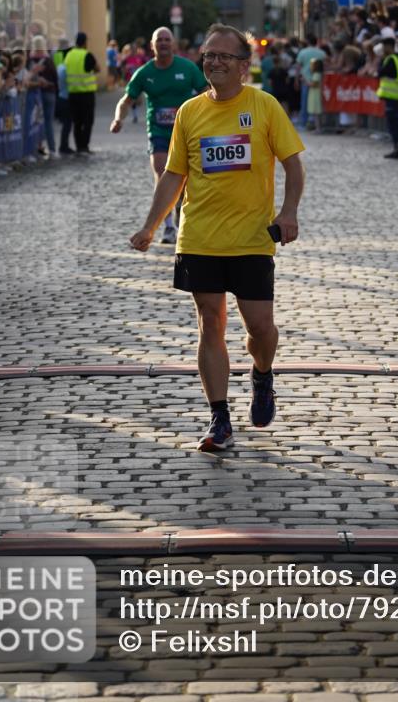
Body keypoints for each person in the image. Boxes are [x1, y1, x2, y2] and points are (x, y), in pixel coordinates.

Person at [129, 23, 305, 453]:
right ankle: (219, 417)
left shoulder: (263, 107)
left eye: (224, 56)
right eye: (209, 54)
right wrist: (151, 225)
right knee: (210, 321)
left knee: (260, 329)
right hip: (200, 237)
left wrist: (288, 212)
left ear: (244, 66)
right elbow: (175, 175)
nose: (214, 61)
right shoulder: (190, 112)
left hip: (251, 239)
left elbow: (294, 166)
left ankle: (262, 375)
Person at [111, 27, 208, 244]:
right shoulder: (145, 73)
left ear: (172, 44)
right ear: (152, 46)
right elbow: (126, 101)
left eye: (167, 40)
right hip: (159, 133)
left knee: (184, 180)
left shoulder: (187, 68)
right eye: (159, 40)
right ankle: (168, 227)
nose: (163, 43)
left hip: (186, 131)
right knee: (163, 173)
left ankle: (180, 213)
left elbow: (206, 92)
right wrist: (118, 119)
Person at [64, 31, 99, 154]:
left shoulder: (69, 55)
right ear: (85, 42)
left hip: (73, 93)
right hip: (87, 94)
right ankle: (84, 146)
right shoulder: (87, 54)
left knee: (77, 122)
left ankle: (79, 146)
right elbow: (97, 68)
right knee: (88, 121)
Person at [377, 34, 398, 158]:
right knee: (396, 123)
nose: (383, 49)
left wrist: (381, 60)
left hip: (392, 96)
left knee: (393, 124)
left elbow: (381, 72)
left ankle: (397, 149)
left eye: (384, 46)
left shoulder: (390, 59)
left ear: (389, 46)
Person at [295, 34, 326, 129]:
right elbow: (326, 66)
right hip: (318, 80)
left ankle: (304, 123)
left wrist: (296, 80)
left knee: (305, 102)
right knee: (317, 103)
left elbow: (298, 67)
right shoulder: (321, 53)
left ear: (308, 42)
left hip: (306, 80)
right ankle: (317, 123)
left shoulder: (303, 52)